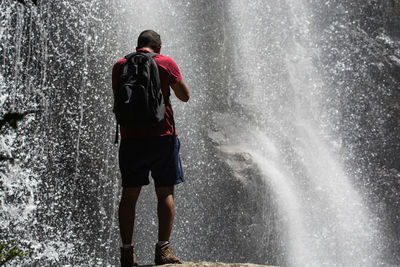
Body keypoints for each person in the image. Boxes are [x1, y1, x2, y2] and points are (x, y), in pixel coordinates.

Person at [112, 30, 190, 266]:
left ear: (138, 46)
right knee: (165, 191)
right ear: (159, 47)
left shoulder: (120, 65)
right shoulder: (166, 63)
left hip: (130, 139)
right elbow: (184, 96)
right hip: (162, 136)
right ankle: (163, 250)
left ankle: (127, 251)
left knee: (129, 195)